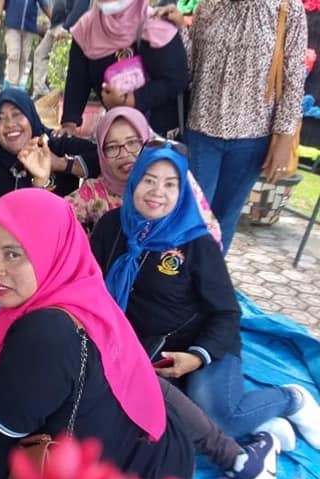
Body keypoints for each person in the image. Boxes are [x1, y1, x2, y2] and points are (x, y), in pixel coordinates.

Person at [0, 188, 195, 479]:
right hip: (153, 454)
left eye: (13, 254)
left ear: (51, 250)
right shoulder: (79, 294)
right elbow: (12, 376)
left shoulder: (47, 329)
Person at [90, 143, 320, 453]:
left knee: (218, 417)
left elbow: (227, 313)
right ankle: (264, 425)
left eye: (170, 184)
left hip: (202, 344)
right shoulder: (112, 227)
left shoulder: (196, 243)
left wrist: (197, 357)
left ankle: (290, 399)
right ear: (134, 181)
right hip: (146, 351)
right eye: (149, 180)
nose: (157, 192)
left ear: (183, 190)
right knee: (144, 420)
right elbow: (89, 284)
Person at [157, 0, 307, 252]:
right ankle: (177, 277)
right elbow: (191, 66)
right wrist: (179, 29)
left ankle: (209, 280)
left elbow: (293, 81)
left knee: (223, 220)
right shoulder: (209, 6)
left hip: (252, 139)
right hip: (203, 132)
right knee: (190, 214)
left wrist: (283, 138)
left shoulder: (288, 10)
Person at [0, 88, 99, 293]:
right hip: (1, 260)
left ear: (31, 115)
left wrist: (58, 164)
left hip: (50, 257)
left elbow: (101, 158)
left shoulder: (54, 144)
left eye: (17, 114)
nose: (10, 124)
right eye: (0, 118)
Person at [59, 0, 189, 138]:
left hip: (159, 139)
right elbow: (78, 78)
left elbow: (176, 80)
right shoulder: (86, 28)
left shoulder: (157, 26)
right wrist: (69, 124)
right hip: (118, 136)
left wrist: (131, 100)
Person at [66, 105, 221, 243]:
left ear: (148, 142)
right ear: (101, 153)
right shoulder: (95, 192)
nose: (124, 154)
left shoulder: (176, 179)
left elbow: (211, 235)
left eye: (132, 143)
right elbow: (58, 217)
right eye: (112, 147)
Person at [32, 0, 92, 98]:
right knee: (40, 54)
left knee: (58, 65)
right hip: (55, 25)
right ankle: (41, 91)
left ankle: (54, 98)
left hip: (66, 28)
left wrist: (66, 28)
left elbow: (80, 8)